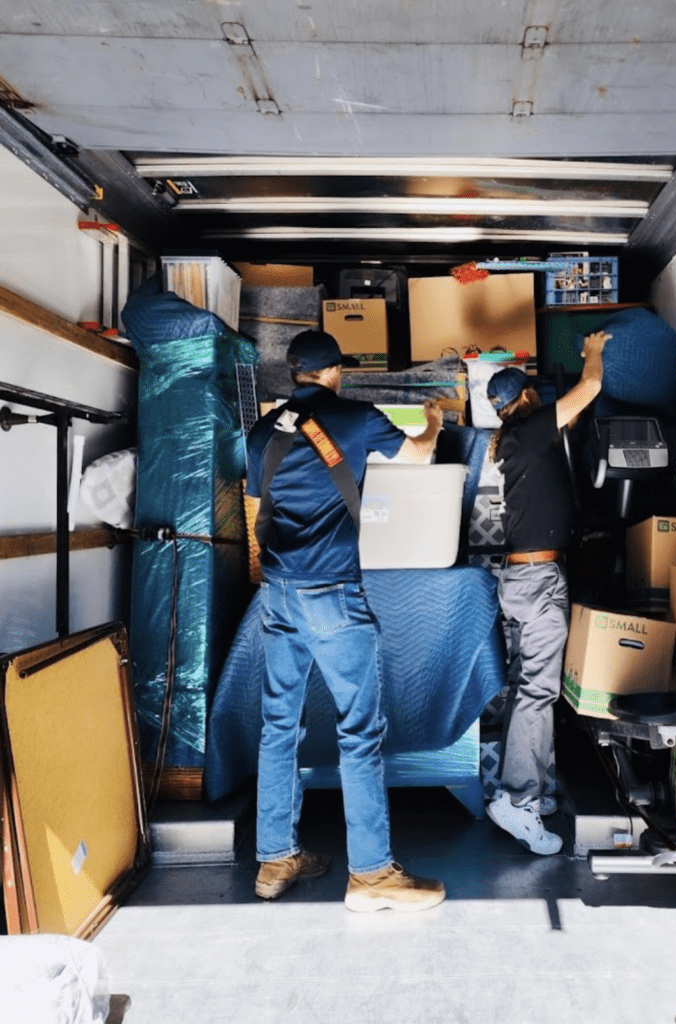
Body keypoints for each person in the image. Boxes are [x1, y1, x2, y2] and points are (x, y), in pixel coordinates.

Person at [245, 329, 446, 911]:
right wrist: (431, 421)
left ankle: (275, 858)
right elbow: (419, 455)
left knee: (279, 728)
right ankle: (371, 874)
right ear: (337, 371)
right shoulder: (356, 417)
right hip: (331, 593)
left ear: (295, 373)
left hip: (278, 594)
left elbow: (264, 503)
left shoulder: (263, 431)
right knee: (359, 732)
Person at [484, 331, 610, 855]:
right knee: (539, 692)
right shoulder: (533, 429)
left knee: (527, 689)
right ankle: (518, 800)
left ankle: (527, 788)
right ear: (530, 398)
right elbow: (591, 388)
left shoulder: (518, 438)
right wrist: (593, 351)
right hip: (537, 583)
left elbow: (572, 420)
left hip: (523, 580)